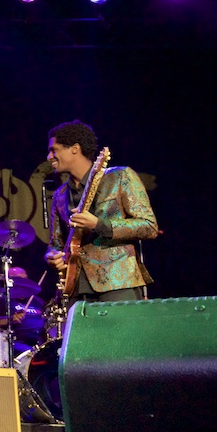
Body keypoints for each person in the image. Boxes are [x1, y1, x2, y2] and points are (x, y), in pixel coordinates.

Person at [44, 120, 158, 306]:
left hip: (117, 282)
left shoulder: (120, 176)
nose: (49, 156)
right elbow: (55, 243)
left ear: (74, 148)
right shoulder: (60, 195)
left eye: (54, 150)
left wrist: (98, 224)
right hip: (76, 288)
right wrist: (52, 256)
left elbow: (149, 226)